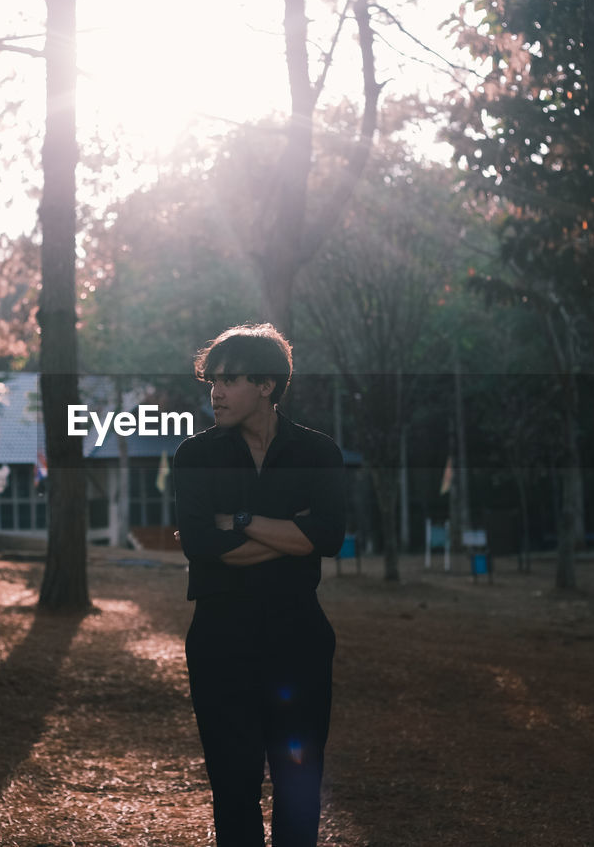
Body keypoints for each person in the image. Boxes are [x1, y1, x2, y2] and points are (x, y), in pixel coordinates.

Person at [174, 323, 345, 847]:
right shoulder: (195, 456)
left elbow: (329, 537)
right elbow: (200, 545)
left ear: (267, 385)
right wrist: (292, 533)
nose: (216, 393)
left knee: (300, 787)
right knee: (232, 787)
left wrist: (240, 521)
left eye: (229, 381)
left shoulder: (319, 454)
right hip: (221, 642)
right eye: (211, 383)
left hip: (299, 640)